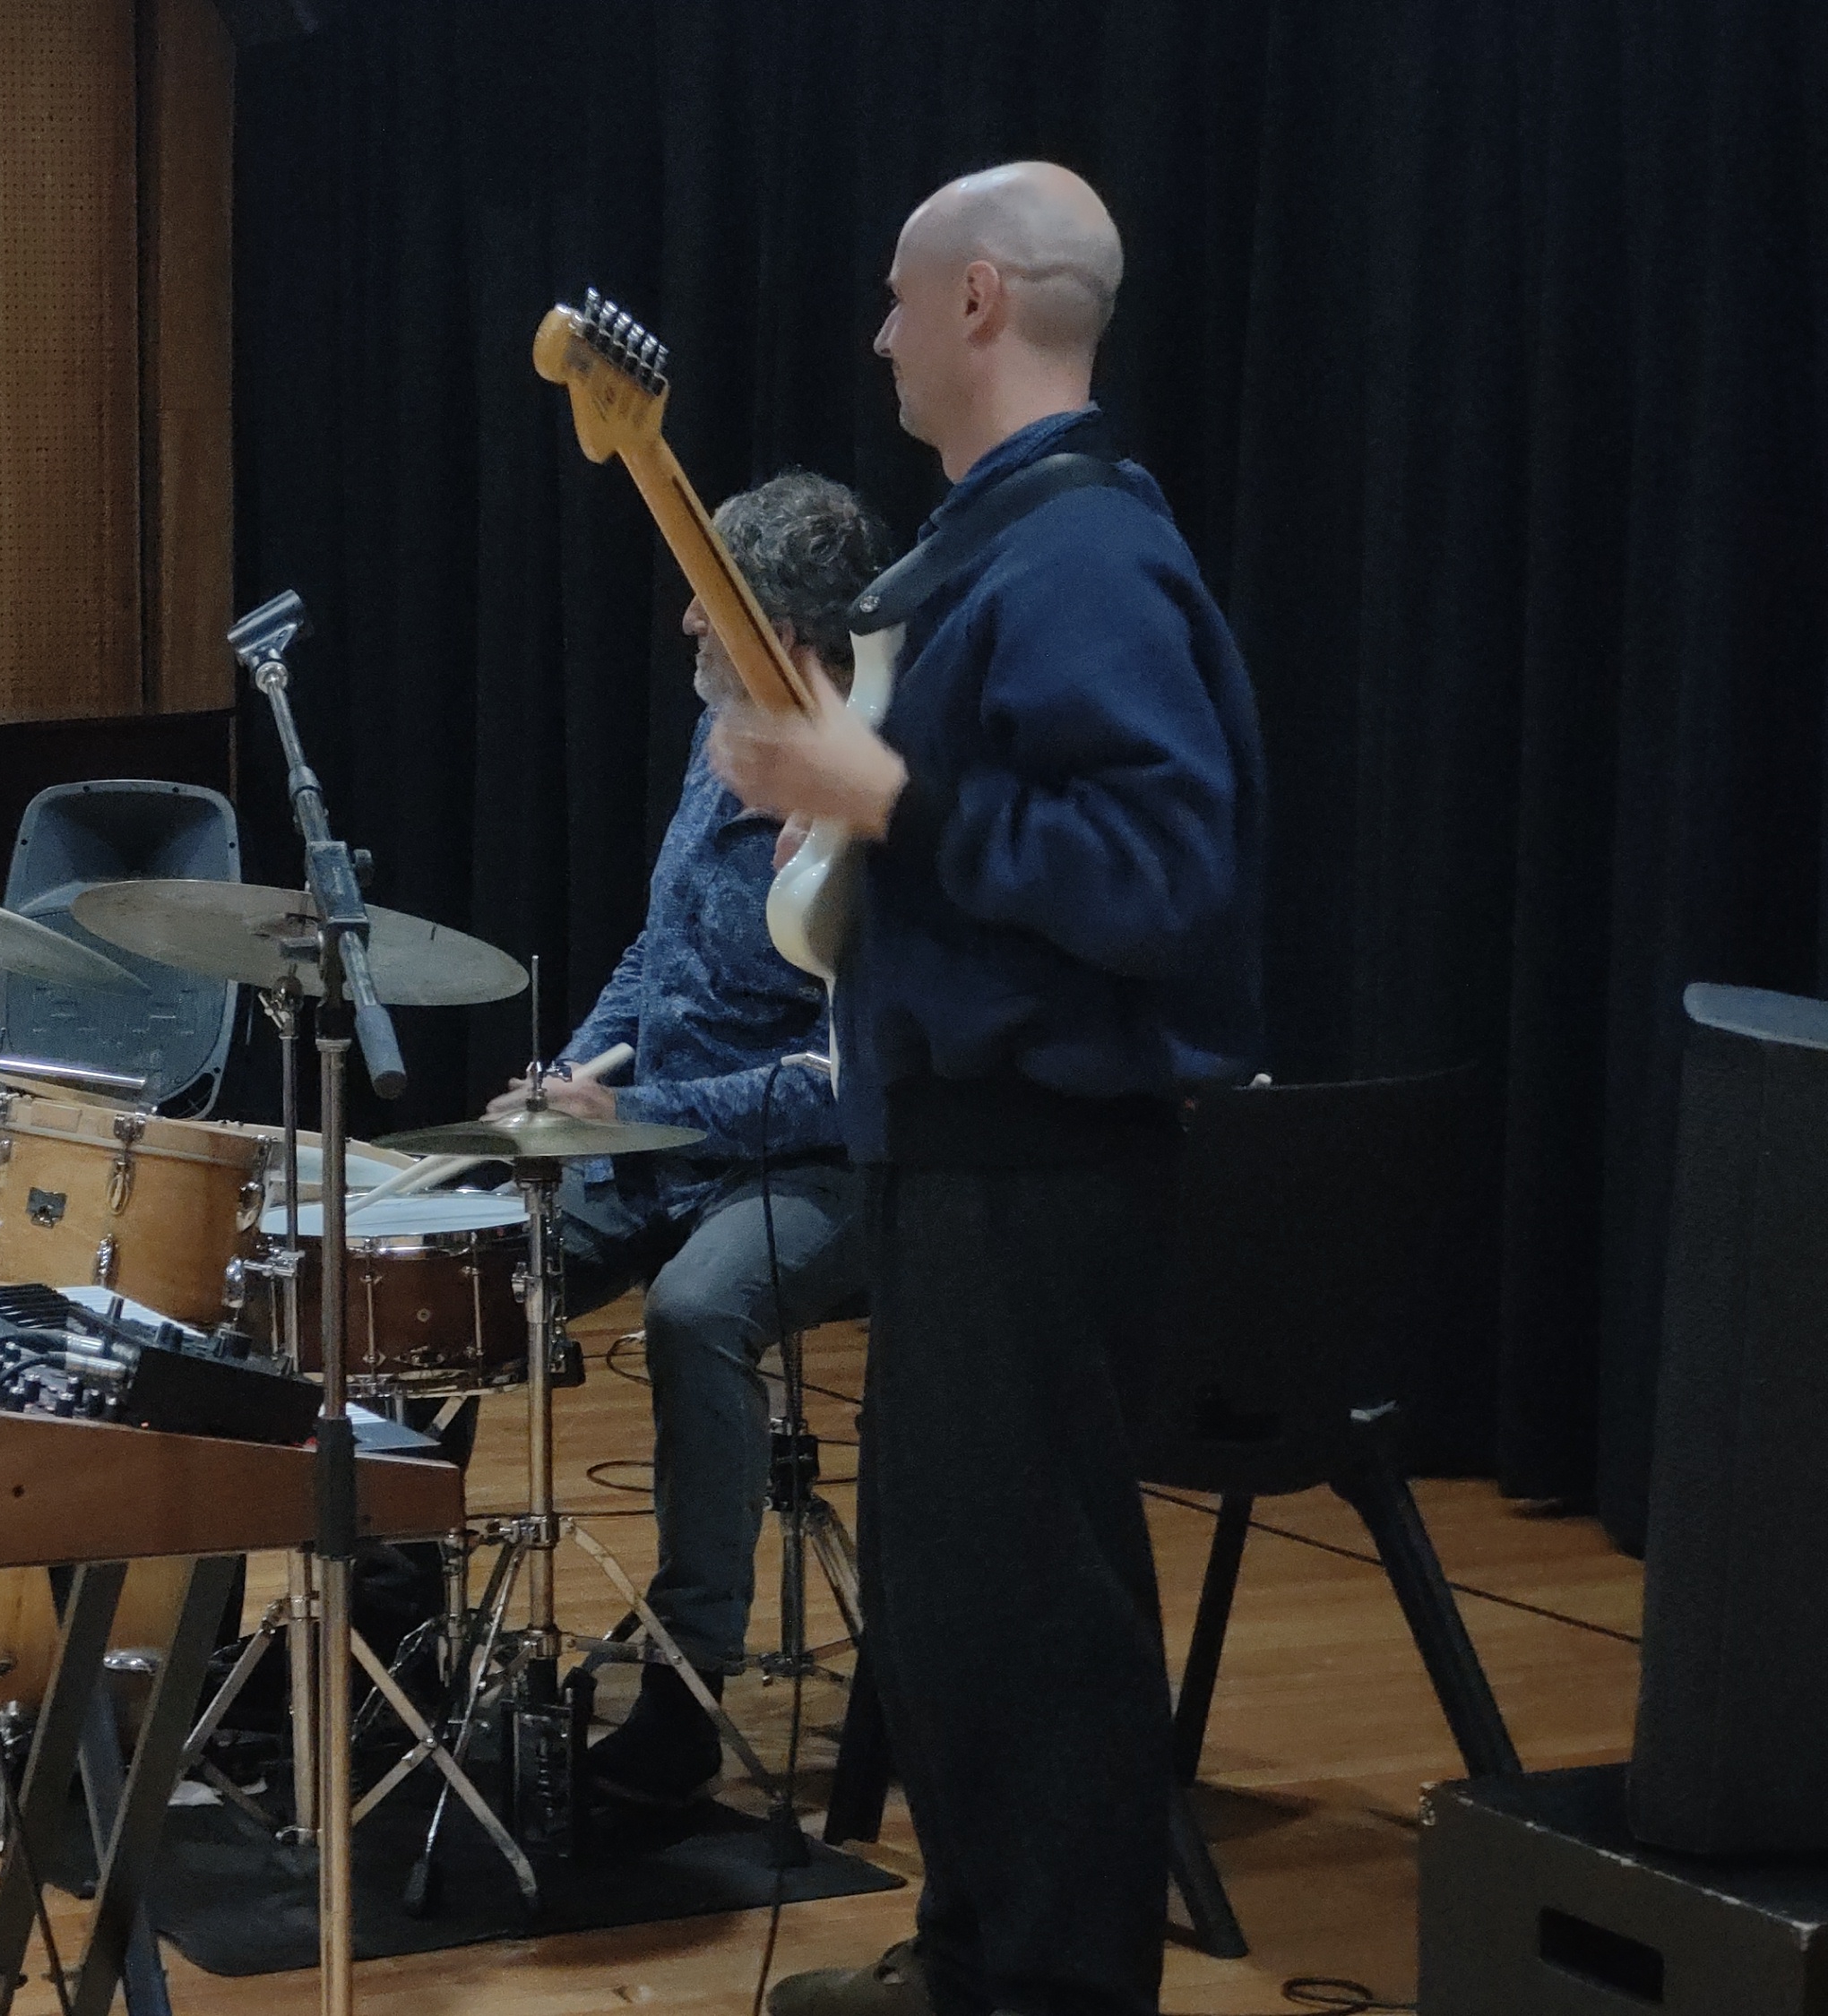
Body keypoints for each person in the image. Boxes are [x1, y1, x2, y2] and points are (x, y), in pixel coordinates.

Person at [703, 164, 1264, 2016]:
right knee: (952, 1614)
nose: (869, 334)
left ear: (973, 304)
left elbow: (1156, 877)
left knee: (1032, 1623)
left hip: (1039, 1163)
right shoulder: (994, 545)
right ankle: (971, 1960)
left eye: (889, 296)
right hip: (957, 1158)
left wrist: (884, 800)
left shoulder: (1084, 555)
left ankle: (1046, 1987)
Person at [485, 470, 893, 1808]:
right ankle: (392, 1612)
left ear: (786, 633)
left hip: (817, 1172)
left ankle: (683, 1686)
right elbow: (658, 957)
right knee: (468, 1253)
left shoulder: (867, 784)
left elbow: (845, 1079)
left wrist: (644, 1113)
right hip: (662, 1138)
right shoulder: (723, 732)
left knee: (696, 1314)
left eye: (711, 602)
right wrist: (575, 1072)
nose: (681, 624)